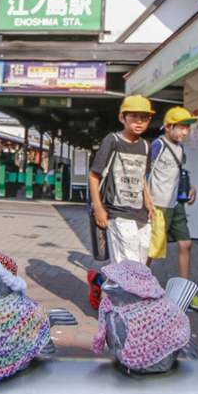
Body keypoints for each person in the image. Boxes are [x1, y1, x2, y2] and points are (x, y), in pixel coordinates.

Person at [87, 95, 155, 305]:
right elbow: (94, 175)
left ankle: (99, 283)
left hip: (141, 214)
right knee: (128, 266)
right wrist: (98, 208)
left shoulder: (146, 146)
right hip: (116, 211)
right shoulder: (112, 141)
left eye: (144, 117)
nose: (139, 121)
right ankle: (120, 311)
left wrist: (149, 202)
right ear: (122, 118)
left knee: (141, 265)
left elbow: (143, 177)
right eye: (133, 116)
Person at [146, 106, 198, 311]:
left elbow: (177, 172)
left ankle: (184, 291)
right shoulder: (158, 145)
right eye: (180, 127)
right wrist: (147, 200)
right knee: (151, 249)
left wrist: (189, 186)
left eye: (187, 128)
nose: (184, 132)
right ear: (168, 127)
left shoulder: (180, 148)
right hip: (158, 206)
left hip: (175, 204)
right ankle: (136, 287)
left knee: (186, 243)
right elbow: (145, 173)